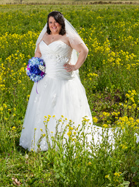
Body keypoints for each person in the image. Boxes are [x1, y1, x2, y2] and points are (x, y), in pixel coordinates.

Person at [19, 11, 115, 151]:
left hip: (62, 79)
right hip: (45, 80)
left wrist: (75, 66)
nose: (53, 25)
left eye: (56, 22)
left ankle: (62, 138)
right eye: (50, 22)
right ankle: (43, 138)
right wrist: (35, 67)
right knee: (43, 108)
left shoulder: (68, 37)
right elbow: (38, 53)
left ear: (61, 23)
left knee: (61, 107)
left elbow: (84, 50)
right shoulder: (44, 36)